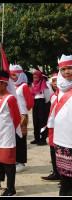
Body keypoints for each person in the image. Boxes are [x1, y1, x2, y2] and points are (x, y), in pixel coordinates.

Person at [10, 64, 34, 173]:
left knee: (21, 139)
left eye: (14, 75)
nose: (12, 77)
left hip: (22, 116)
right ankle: (15, 160)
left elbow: (30, 102)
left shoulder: (24, 86)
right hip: (13, 115)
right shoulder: (11, 86)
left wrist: (23, 112)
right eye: (11, 75)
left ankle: (21, 162)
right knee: (14, 138)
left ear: (20, 75)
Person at [53, 54, 72, 196]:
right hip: (61, 139)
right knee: (65, 176)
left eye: (70, 68)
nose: (67, 72)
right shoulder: (59, 88)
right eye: (63, 69)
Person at [41, 73, 60, 182]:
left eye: (57, 81)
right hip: (52, 126)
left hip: (62, 126)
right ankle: (56, 172)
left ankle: (64, 176)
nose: (56, 84)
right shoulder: (53, 96)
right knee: (52, 149)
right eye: (53, 81)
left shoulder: (67, 94)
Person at [30, 70, 51, 145]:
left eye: (36, 77)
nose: (35, 79)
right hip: (35, 102)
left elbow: (47, 97)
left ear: (40, 77)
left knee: (42, 121)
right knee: (35, 121)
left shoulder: (44, 85)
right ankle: (37, 138)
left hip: (42, 102)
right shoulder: (33, 84)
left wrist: (43, 104)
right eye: (34, 78)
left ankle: (43, 139)